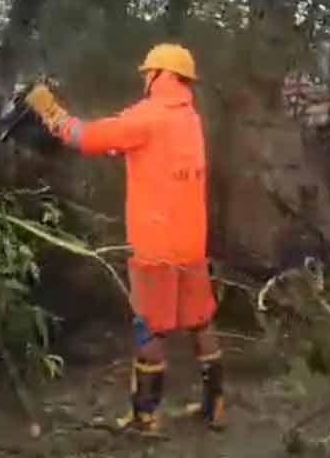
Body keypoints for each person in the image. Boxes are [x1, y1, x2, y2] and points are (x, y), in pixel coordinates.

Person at [21, 43, 224, 433]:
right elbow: (152, 155)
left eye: (148, 73)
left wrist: (51, 113)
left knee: (150, 327)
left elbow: (86, 137)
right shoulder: (189, 120)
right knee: (200, 320)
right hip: (192, 244)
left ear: (158, 75)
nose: (145, 79)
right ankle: (216, 405)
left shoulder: (147, 117)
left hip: (155, 247)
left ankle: (146, 415)